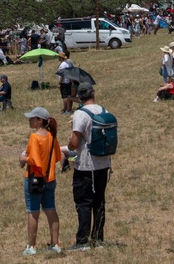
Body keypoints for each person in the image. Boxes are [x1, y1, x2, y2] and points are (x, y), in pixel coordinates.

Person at [67, 83, 111, 251]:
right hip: (104, 163)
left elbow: (74, 143)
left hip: (86, 166)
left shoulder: (80, 114)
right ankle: (98, 238)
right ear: (93, 93)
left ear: (79, 96)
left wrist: (70, 141)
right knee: (99, 202)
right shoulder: (103, 110)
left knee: (84, 203)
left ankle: (82, 241)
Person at [19, 107, 62, 256]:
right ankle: (55, 243)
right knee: (50, 209)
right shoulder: (52, 136)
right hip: (49, 178)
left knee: (33, 211)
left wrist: (24, 158)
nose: (29, 120)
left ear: (40, 121)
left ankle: (31, 246)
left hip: (34, 179)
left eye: (32, 118)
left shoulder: (34, 137)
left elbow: (34, 160)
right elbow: (57, 157)